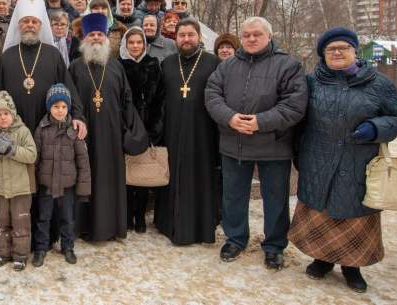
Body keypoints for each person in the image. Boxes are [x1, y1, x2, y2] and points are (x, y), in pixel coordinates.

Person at [288, 27, 397, 293]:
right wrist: (298, 154)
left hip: (358, 162)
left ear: (355, 51)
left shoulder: (378, 83)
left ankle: (353, 267)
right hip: (318, 158)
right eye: (331, 49)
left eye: (344, 48)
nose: (337, 52)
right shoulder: (311, 82)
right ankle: (322, 259)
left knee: (354, 214)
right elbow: (298, 121)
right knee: (320, 211)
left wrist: (376, 128)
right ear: (323, 55)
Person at [205, 16, 308, 270]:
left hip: (273, 144)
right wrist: (230, 117)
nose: (251, 39)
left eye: (257, 35)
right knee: (233, 196)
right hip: (234, 142)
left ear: (269, 37)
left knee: (275, 199)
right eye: (247, 34)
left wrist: (261, 121)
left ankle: (274, 245)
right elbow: (212, 94)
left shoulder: (287, 65)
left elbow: (294, 105)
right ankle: (236, 238)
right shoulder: (228, 66)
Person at [69, 12, 147, 242]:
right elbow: (70, 99)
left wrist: (130, 131)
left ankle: (111, 226)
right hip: (84, 135)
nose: (95, 38)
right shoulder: (74, 67)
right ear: (84, 38)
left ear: (106, 38)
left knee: (109, 181)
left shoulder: (116, 67)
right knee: (85, 178)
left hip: (112, 135)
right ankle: (83, 226)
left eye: (99, 34)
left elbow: (127, 100)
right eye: (91, 34)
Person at [154, 18, 220, 245]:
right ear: (176, 38)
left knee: (199, 177)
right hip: (172, 131)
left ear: (199, 37)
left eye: (191, 35)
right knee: (172, 175)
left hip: (203, 134)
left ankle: (200, 226)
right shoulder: (168, 63)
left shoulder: (213, 62)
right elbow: (159, 99)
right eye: (182, 35)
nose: (186, 39)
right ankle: (168, 223)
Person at [0, 0, 86, 137]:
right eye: (25, 21)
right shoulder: (7, 56)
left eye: (34, 21)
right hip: (13, 128)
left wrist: (78, 116)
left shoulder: (53, 54)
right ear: (19, 25)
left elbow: (69, 88)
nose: (30, 25)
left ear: (40, 26)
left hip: (49, 129)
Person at [32, 84, 91, 267]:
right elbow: (35, 159)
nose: (60, 110)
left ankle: (68, 247)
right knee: (43, 218)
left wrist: (83, 188)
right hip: (46, 184)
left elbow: (83, 161)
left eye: (64, 107)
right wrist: (32, 184)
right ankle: (41, 248)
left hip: (67, 186)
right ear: (49, 107)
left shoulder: (74, 130)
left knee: (67, 218)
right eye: (56, 106)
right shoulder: (41, 129)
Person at [0, 90, 37, 271]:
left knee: (21, 221)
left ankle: (20, 255)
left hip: (21, 188)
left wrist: (11, 150)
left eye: (6, 114)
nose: (3, 118)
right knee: (3, 222)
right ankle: (4, 253)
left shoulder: (23, 131)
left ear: (12, 114)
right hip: (1, 189)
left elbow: (31, 155)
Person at [118, 26, 164, 232]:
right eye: (131, 43)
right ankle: (126, 216)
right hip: (126, 128)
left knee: (143, 174)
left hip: (147, 128)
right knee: (127, 175)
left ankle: (140, 216)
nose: (135, 46)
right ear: (125, 45)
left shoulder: (153, 65)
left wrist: (154, 129)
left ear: (145, 45)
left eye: (139, 42)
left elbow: (160, 99)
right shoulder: (118, 65)